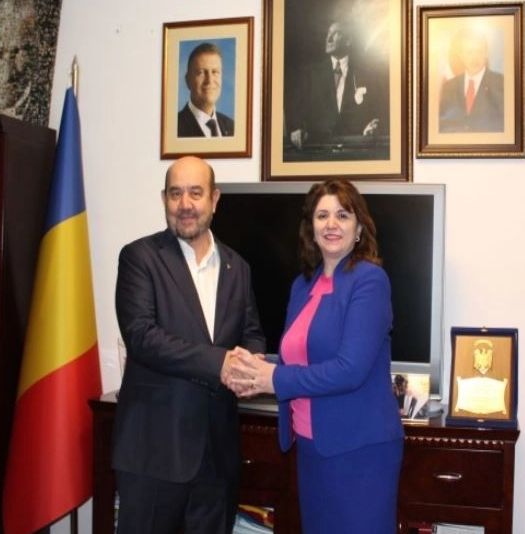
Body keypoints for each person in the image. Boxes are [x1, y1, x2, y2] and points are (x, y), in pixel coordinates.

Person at [225, 179, 404, 533]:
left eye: (342, 215)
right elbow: (297, 361)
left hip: (359, 449)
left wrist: (273, 379)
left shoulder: (370, 281)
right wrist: (256, 369)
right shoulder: (302, 286)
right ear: (311, 228)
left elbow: (349, 369)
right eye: (322, 216)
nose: (331, 224)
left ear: (358, 229)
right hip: (310, 446)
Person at [112, 156, 265, 534]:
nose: (185, 204)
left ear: (215, 199)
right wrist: (221, 364)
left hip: (217, 457)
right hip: (153, 455)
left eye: (196, 193)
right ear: (164, 198)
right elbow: (142, 336)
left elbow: (251, 332)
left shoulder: (238, 267)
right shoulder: (139, 258)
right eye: (175, 193)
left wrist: (252, 365)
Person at [288, 21, 383, 149]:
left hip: (355, 148)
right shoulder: (311, 74)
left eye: (336, 33)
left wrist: (372, 126)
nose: (328, 39)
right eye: (328, 33)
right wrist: (296, 129)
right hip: (317, 149)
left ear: (348, 41)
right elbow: (296, 110)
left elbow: (375, 112)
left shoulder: (366, 74)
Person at [438, 28, 504, 133]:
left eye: (479, 51)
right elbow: (442, 126)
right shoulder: (449, 87)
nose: (474, 58)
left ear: (486, 53)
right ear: (461, 56)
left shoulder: (501, 83)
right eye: (469, 52)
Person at [178, 43, 234, 137]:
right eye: (201, 72)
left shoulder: (232, 127)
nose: (209, 80)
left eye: (215, 72)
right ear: (188, 80)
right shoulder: (174, 128)